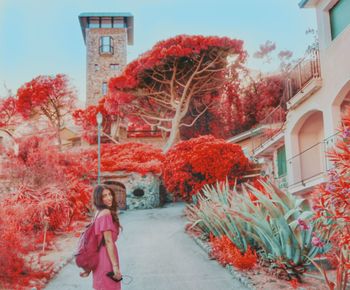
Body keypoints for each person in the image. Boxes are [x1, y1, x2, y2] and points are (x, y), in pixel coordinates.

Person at [81, 184, 122, 290]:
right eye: (104, 196)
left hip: (99, 259)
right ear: (99, 199)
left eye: (109, 194)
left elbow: (94, 241)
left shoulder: (97, 213)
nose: (109, 198)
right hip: (106, 258)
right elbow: (108, 241)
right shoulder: (106, 213)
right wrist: (115, 266)